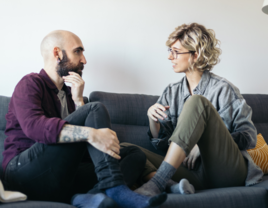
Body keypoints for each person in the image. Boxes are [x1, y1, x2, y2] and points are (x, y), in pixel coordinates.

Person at [3, 30, 167, 208]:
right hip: (23, 172)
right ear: (57, 53)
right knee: (95, 108)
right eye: (77, 51)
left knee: (134, 154)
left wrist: (78, 101)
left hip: (61, 179)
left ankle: (90, 197)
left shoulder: (69, 95)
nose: (84, 60)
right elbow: (34, 127)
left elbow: (82, 152)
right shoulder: (31, 83)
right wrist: (90, 133)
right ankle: (115, 189)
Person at [124, 23, 263, 196]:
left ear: (195, 55)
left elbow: (249, 136)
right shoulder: (171, 92)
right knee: (125, 148)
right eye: (169, 50)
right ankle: (170, 184)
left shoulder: (223, 89)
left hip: (226, 172)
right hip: (191, 173)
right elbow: (163, 145)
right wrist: (153, 121)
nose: (170, 57)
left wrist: (203, 144)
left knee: (197, 102)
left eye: (176, 51)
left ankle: (157, 183)